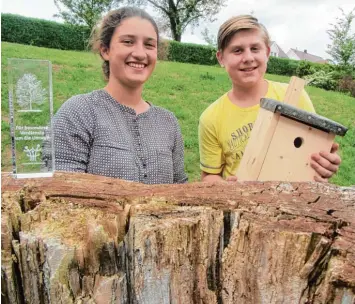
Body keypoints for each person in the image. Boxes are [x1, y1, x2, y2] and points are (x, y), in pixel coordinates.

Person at [49, 7, 187, 184]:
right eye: (128, 42)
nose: (139, 53)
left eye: (149, 44)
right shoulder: (79, 112)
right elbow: (59, 190)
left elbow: (180, 191)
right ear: (105, 50)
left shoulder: (168, 122)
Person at [199, 15, 341, 183]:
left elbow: (315, 154)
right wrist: (225, 189)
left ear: (267, 52)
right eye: (237, 50)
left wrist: (325, 163)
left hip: (296, 202)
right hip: (244, 205)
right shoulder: (211, 118)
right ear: (221, 58)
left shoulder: (295, 97)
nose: (248, 58)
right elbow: (209, 175)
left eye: (255, 48)